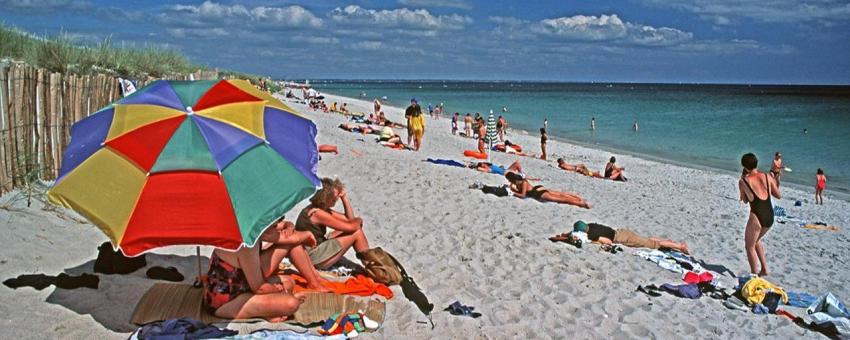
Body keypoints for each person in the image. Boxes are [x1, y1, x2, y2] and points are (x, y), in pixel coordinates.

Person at [205, 219, 330, 321]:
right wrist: (278, 291)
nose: (277, 228)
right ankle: (269, 311)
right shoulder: (247, 243)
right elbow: (260, 288)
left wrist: (290, 226)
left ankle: (270, 311)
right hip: (226, 302)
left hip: (243, 283)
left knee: (289, 282)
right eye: (274, 224)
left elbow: (287, 229)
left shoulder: (251, 228)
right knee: (291, 303)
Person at [295, 178, 371, 270]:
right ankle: (371, 265)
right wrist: (359, 219)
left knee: (344, 230)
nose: (337, 198)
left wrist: (344, 198)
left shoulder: (318, 208)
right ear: (326, 198)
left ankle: (370, 262)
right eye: (335, 197)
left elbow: (349, 219)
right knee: (356, 233)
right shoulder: (317, 214)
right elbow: (353, 226)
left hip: (309, 249)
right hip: (312, 257)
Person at [738, 153, 781, 277]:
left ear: (744, 166)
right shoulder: (767, 176)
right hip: (769, 215)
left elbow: (744, 199)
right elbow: (778, 195)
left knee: (749, 246)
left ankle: (754, 274)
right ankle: (765, 269)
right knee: (756, 240)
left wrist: (743, 179)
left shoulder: (743, 181)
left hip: (757, 215)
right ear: (757, 163)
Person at [550, 221, 690, 254]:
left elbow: (609, 242)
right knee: (648, 240)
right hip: (621, 231)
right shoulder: (591, 226)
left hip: (622, 237)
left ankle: (679, 247)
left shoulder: (592, 234)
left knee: (653, 245)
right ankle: (669, 242)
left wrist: (596, 242)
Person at [505, 172, 590, 208]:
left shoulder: (522, 183)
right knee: (560, 194)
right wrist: (513, 188)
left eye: (509, 179)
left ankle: (581, 203)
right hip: (538, 188)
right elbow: (522, 192)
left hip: (538, 193)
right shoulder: (520, 181)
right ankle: (577, 197)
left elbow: (523, 195)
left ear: (511, 179)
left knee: (561, 199)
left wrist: (512, 192)